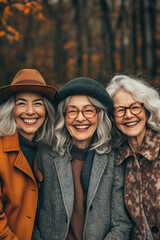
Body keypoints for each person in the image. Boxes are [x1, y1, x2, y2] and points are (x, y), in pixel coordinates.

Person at [32, 77, 131, 240]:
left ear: (99, 115)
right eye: (72, 111)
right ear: (63, 117)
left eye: (88, 110)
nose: (80, 118)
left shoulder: (114, 158)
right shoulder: (45, 156)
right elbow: (31, 219)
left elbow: (122, 224)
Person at [0, 69, 56, 240]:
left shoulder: (47, 150)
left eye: (38, 103)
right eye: (22, 103)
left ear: (46, 110)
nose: (30, 111)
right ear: (11, 109)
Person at [106, 74, 160, 240]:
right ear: (113, 118)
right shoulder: (116, 159)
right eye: (120, 110)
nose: (128, 115)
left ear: (146, 110)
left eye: (134, 107)